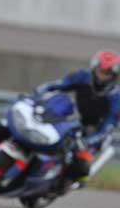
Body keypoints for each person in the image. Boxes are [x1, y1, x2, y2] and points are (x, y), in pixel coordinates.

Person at [33, 50, 120, 181]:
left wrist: (89, 141)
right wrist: (37, 94)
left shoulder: (116, 97)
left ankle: (65, 183)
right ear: (94, 68)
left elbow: (109, 126)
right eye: (100, 71)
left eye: (107, 74)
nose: (102, 76)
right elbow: (57, 85)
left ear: (114, 76)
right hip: (75, 122)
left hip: (95, 133)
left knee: (81, 167)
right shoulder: (82, 76)